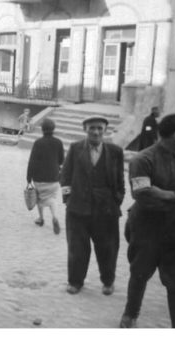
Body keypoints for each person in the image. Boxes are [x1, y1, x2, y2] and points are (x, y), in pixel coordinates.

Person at [120, 114, 175, 329]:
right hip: (145, 227)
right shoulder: (142, 160)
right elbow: (144, 196)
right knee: (139, 273)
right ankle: (130, 314)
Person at [60, 115, 125, 296]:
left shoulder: (115, 152)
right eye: (92, 128)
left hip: (106, 211)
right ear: (85, 130)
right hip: (78, 210)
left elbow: (120, 180)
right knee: (77, 249)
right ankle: (75, 282)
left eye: (99, 128)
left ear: (105, 130)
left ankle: (108, 281)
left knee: (108, 249)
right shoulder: (75, 149)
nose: (96, 132)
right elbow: (65, 176)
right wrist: (69, 200)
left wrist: (116, 199)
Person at [27, 118, 64, 235]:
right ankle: (55, 217)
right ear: (54, 129)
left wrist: (28, 177)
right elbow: (62, 160)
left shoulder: (38, 143)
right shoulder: (58, 142)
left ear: (42, 129)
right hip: (53, 177)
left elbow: (32, 161)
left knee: (39, 198)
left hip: (39, 178)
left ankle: (41, 218)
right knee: (52, 198)